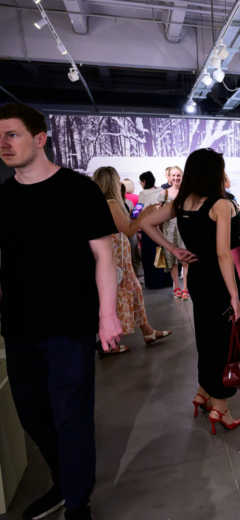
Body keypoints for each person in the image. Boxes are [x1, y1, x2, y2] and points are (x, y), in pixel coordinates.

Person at [0, 103, 122, 520]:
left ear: (39, 139)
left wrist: (108, 315)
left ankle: (76, 502)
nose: (4, 144)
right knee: (32, 414)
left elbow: (104, 256)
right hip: (19, 326)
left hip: (70, 323)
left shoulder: (78, 190)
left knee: (72, 417)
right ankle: (63, 481)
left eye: (12, 134)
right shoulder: (3, 198)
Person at [141, 148, 240, 435]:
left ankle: (203, 391)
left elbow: (146, 223)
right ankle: (220, 407)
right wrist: (234, 295)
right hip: (218, 279)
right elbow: (223, 254)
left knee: (205, 335)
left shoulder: (182, 202)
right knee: (222, 340)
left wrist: (173, 249)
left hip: (197, 277)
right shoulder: (221, 204)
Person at [92, 166, 172, 356]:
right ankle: (110, 343)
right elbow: (129, 229)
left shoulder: (105, 202)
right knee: (120, 296)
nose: (120, 182)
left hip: (118, 257)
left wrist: (141, 211)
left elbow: (128, 220)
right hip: (116, 259)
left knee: (133, 291)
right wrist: (146, 213)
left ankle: (147, 331)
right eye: (117, 179)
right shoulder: (111, 202)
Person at [157, 166, 190, 300]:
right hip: (169, 231)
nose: (176, 178)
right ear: (169, 177)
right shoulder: (164, 193)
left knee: (186, 260)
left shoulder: (187, 192)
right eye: (173, 175)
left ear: (182, 176)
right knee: (173, 261)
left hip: (185, 230)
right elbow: (157, 212)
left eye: (178, 175)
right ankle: (176, 286)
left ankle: (185, 287)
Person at [137, 171, 170, 290]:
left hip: (149, 227)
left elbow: (137, 210)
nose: (140, 184)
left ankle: (154, 282)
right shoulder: (162, 191)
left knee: (150, 256)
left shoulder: (144, 194)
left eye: (141, 181)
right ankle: (166, 281)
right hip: (163, 226)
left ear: (145, 181)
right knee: (164, 253)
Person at [224, 172, 240, 309]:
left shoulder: (204, 200)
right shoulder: (230, 198)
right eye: (227, 177)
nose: (229, 179)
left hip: (217, 250)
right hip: (234, 249)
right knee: (239, 286)